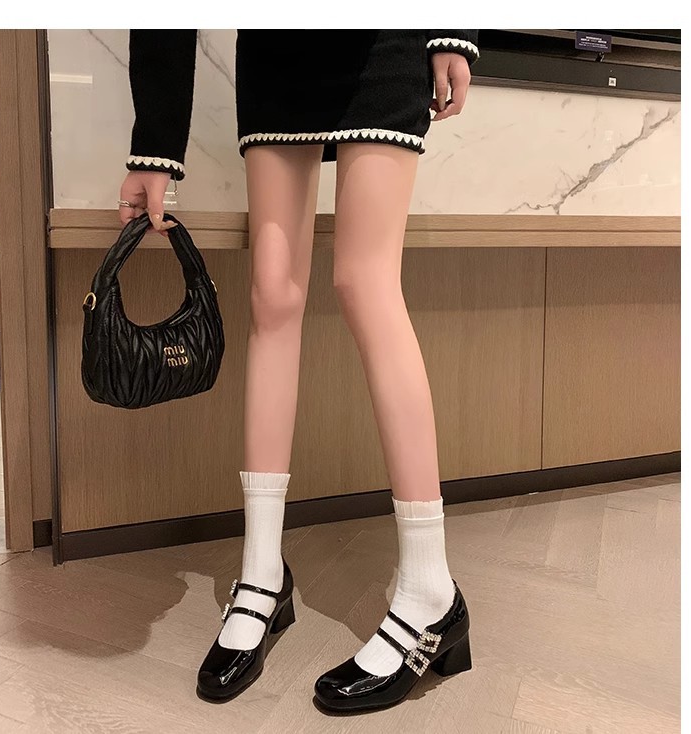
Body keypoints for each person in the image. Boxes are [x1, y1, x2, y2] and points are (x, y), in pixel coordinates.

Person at [119, 29, 479, 714]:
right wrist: (155, 143)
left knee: (366, 283)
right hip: (277, 46)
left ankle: (431, 589)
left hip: (385, 34)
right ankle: (261, 573)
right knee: (273, 295)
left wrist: (454, 29)